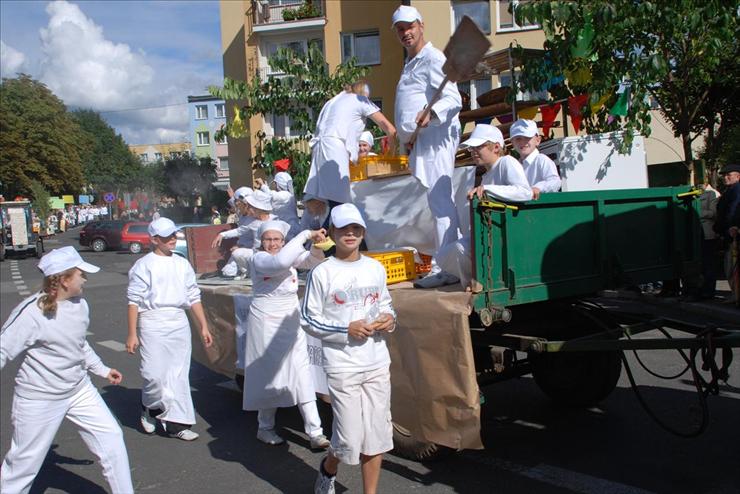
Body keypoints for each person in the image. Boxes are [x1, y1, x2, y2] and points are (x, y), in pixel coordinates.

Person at [1, 247, 133, 494]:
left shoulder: (80, 304)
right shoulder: (31, 312)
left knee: (112, 438)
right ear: (63, 280)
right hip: (39, 398)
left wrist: (102, 370)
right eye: (80, 274)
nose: (85, 278)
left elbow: (79, 344)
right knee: (23, 466)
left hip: (78, 389)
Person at [302, 204, 396, 494]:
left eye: (356, 228)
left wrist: (389, 320)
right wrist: (346, 330)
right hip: (343, 365)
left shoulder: (375, 268)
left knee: (377, 435)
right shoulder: (322, 273)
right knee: (348, 439)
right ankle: (328, 468)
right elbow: (308, 320)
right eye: (343, 228)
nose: (350, 233)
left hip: (377, 361)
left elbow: (387, 306)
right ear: (331, 232)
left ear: (363, 232)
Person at [243, 220, 330, 448]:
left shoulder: (287, 254)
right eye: (268, 240)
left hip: (291, 318)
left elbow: (312, 262)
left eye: (277, 240)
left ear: (283, 241)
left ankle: (315, 432)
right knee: (270, 375)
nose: (273, 244)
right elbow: (279, 262)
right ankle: (265, 427)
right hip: (266, 322)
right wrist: (306, 234)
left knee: (302, 372)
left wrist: (316, 245)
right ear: (261, 242)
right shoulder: (259, 259)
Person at [393, 5, 463, 288]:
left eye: (410, 26)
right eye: (400, 29)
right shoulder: (411, 61)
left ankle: (447, 267)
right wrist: (408, 139)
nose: (406, 32)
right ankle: (445, 263)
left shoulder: (434, 58)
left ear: (421, 25)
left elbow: (453, 99)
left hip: (437, 138)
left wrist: (431, 114)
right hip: (422, 141)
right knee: (437, 204)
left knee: (441, 202)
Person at [126, 217, 214, 441]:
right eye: (167, 237)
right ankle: (150, 407)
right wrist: (132, 333)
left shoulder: (182, 263)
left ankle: (177, 425)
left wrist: (203, 326)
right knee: (153, 374)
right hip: (152, 321)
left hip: (178, 320)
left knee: (178, 374)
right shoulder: (143, 266)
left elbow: (193, 296)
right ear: (154, 240)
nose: (173, 239)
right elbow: (133, 301)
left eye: (174, 235)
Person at [433, 124, 532, 289]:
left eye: (479, 147)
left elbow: (524, 192)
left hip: (505, 235)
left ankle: (477, 284)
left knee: (458, 249)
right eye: (472, 148)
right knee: (443, 256)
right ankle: (474, 282)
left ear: (496, 147)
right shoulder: (487, 175)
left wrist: (488, 189)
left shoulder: (507, 162)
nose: (474, 151)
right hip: (489, 233)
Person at [304, 80, 396, 207]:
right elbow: (390, 129)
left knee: (328, 203)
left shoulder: (333, 101)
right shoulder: (360, 100)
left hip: (319, 149)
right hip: (334, 148)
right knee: (341, 205)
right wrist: (391, 154)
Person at [213, 190, 277, 279]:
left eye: (250, 206)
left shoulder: (275, 220)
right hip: (256, 253)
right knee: (236, 255)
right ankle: (248, 273)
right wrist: (222, 235)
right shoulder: (251, 221)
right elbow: (239, 231)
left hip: (272, 254)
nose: (248, 208)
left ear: (257, 208)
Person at [510, 119, 561, 199]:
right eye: (518, 139)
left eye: (527, 137)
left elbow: (555, 181)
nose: (523, 142)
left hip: (542, 208)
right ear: (512, 143)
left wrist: (538, 188)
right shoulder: (515, 165)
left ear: (537, 140)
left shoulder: (542, 160)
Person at [256, 172, 301, 238]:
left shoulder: (286, 194)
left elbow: (271, 195)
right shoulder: (282, 195)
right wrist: (262, 188)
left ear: (277, 184)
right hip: (284, 228)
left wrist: (262, 185)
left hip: (290, 229)